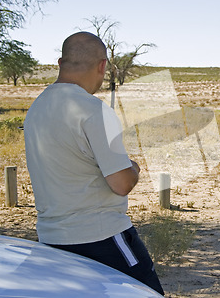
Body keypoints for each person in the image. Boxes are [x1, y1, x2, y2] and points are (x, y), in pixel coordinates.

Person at [24, 31, 164, 296]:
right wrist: (134, 167)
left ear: (60, 63)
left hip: (52, 239)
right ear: (103, 66)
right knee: (148, 292)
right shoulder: (94, 110)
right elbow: (121, 184)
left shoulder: (37, 108)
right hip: (102, 237)